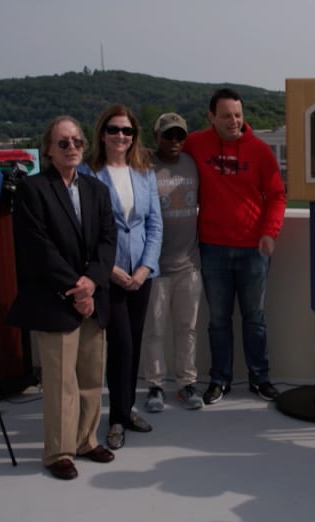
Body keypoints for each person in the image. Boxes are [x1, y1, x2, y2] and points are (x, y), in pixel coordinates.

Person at [9, 116, 117, 480]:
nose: (72, 148)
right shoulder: (33, 190)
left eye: (77, 142)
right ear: (48, 150)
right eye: (63, 143)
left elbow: (107, 241)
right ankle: (58, 451)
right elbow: (38, 250)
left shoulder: (96, 190)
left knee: (90, 378)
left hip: (92, 298)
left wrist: (93, 283)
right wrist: (77, 289)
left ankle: (86, 440)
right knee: (60, 384)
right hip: (55, 301)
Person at [183, 88, 286, 405]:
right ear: (211, 117)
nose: (234, 121)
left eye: (238, 115)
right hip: (212, 247)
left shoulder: (259, 150)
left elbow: (277, 196)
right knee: (218, 320)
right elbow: (169, 163)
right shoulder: (195, 144)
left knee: (254, 318)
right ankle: (219, 379)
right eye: (226, 116)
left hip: (253, 250)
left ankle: (260, 377)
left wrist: (269, 232)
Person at [85, 104, 163, 450]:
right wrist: (113, 271)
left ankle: (126, 408)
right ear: (102, 133)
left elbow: (154, 224)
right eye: (114, 130)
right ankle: (115, 418)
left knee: (133, 343)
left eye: (127, 131)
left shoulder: (144, 172)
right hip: (109, 273)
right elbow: (86, 231)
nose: (121, 136)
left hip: (141, 274)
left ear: (135, 136)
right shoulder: (90, 173)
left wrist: (145, 268)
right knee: (121, 345)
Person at [140, 112, 204, 412]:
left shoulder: (192, 163)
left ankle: (186, 383)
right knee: (154, 330)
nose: (175, 141)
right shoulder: (143, 167)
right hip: (154, 267)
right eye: (169, 135)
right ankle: (155, 386)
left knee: (186, 328)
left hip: (189, 264)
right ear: (156, 137)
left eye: (180, 135)